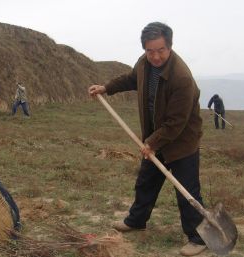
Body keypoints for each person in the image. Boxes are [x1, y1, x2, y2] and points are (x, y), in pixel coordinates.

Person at [88, 22, 206, 256]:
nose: (155, 56)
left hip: (182, 142)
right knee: (146, 182)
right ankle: (136, 220)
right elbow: (131, 79)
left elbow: (176, 123)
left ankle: (198, 237)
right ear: (144, 49)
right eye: (150, 50)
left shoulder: (181, 78)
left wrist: (152, 142)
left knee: (187, 192)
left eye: (160, 50)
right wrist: (106, 88)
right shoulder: (144, 64)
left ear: (169, 46)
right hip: (155, 138)